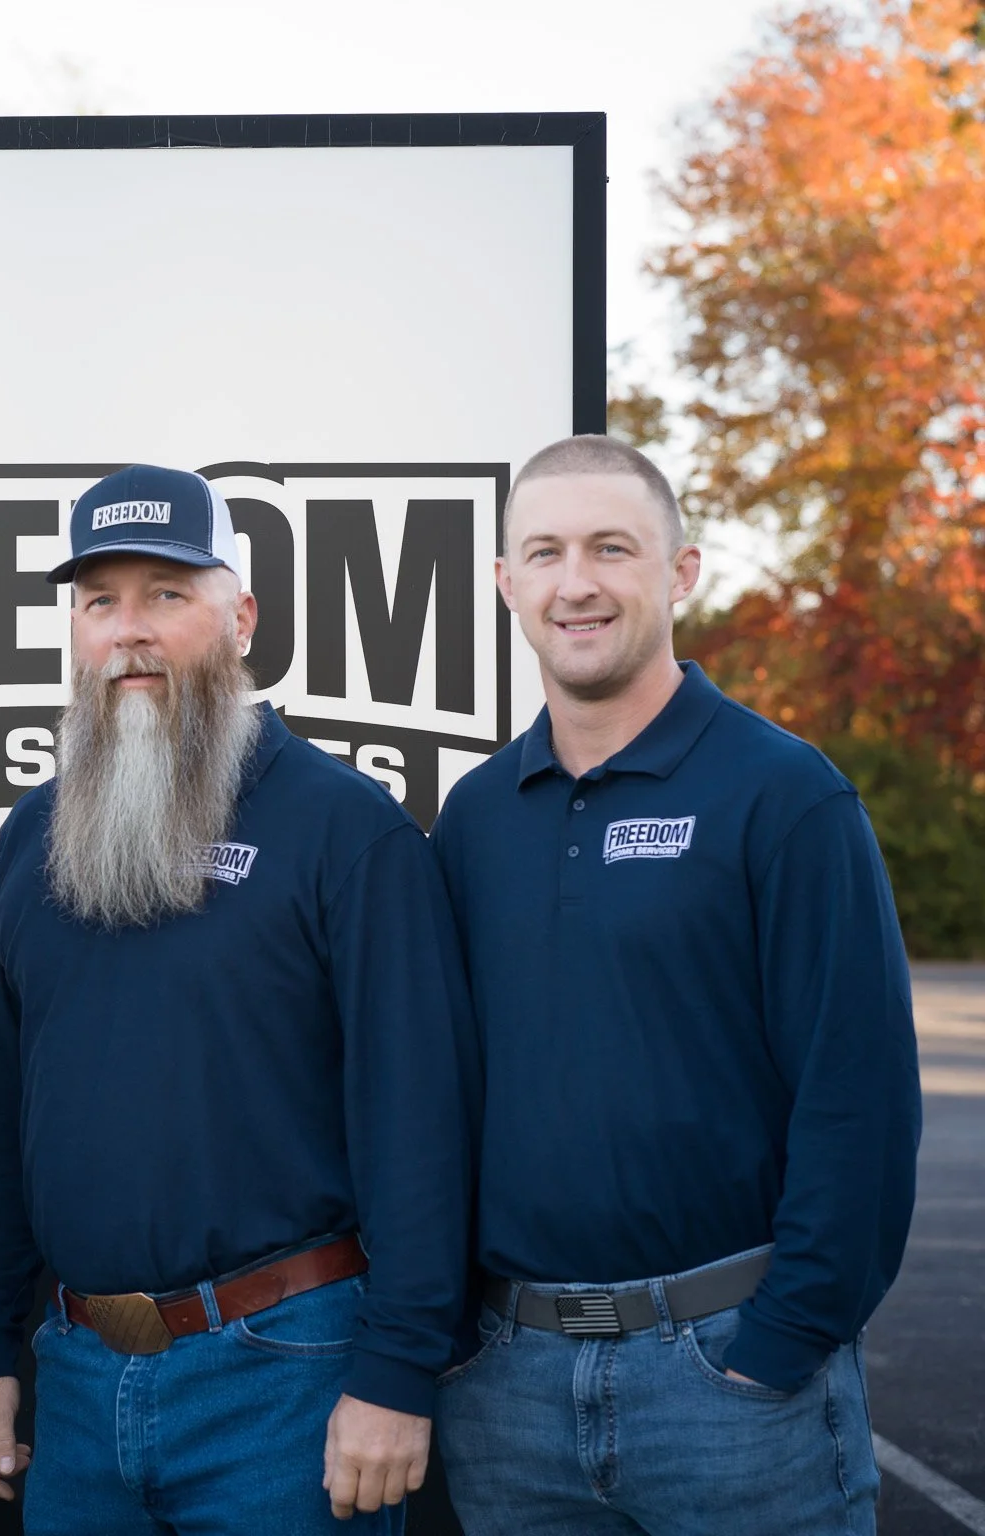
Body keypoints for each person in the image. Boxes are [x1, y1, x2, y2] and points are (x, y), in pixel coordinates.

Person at [0, 464, 478, 1534]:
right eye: (100, 601)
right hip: (79, 1383)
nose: (128, 631)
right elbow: (1, 1116)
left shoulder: (345, 830)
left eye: (165, 594)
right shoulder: (30, 834)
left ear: (238, 617)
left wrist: (397, 1372)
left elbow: (419, 1123)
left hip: (287, 1379)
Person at [428, 435, 921, 1535]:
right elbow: (435, 1088)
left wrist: (781, 1343)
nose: (576, 582)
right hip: (507, 1391)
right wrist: (458, 1338)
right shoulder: (472, 819)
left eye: (612, 548)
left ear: (680, 571)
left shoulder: (782, 797)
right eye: (543, 553)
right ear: (505, 583)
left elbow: (859, 1097)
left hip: (727, 1382)